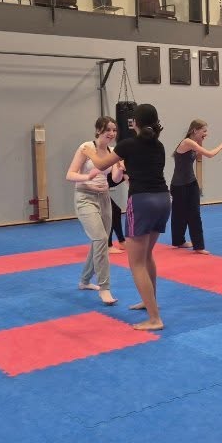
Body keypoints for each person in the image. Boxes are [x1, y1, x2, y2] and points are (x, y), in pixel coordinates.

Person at [82, 104, 170, 331]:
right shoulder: (158, 145)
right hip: (163, 199)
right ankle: (149, 302)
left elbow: (101, 164)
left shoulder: (129, 144)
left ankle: (154, 319)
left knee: (136, 263)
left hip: (142, 202)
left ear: (134, 123)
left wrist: (88, 151)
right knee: (147, 255)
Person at [65, 116, 124, 306]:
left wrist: (120, 168)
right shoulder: (86, 148)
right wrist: (87, 178)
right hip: (85, 197)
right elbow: (70, 174)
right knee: (100, 239)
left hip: (104, 198)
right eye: (108, 129)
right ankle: (104, 288)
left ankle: (84, 281)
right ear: (98, 130)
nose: (112, 133)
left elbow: (115, 178)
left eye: (114, 130)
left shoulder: (112, 151)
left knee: (99, 241)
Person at [170, 119, 222, 254]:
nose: (206, 133)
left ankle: (197, 245)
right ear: (195, 130)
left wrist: (201, 139)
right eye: (204, 131)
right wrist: (221, 146)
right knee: (179, 214)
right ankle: (180, 241)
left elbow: (199, 157)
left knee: (194, 213)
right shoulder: (187, 142)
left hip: (190, 183)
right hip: (179, 185)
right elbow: (210, 154)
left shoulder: (194, 143)